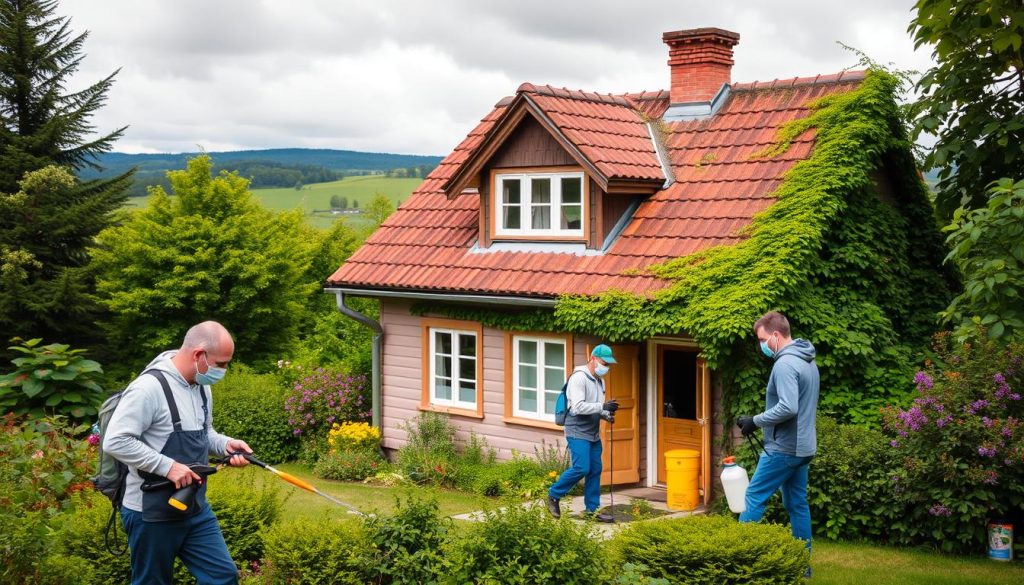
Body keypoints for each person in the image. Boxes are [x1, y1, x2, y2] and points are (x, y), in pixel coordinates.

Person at [104, 321, 253, 585]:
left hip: (195, 508)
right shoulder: (147, 388)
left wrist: (226, 444)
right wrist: (168, 467)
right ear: (199, 355)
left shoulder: (201, 386)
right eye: (221, 364)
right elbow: (116, 441)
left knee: (223, 576)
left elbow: (205, 433)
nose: (224, 371)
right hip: (149, 513)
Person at [737, 311, 819, 574]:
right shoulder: (807, 360)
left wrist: (754, 421)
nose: (761, 345)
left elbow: (788, 407)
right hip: (804, 447)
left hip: (784, 448)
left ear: (775, 335)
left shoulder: (784, 364)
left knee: (753, 498)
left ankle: (736, 563)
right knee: (797, 504)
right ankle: (802, 569)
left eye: (761, 339)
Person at [546, 344, 619, 522]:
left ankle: (591, 511)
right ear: (593, 359)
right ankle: (553, 494)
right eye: (604, 363)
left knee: (595, 469)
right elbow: (578, 407)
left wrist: (606, 414)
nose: (606, 367)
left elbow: (595, 407)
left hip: (593, 432)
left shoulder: (600, 381)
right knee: (582, 467)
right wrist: (602, 406)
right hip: (576, 429)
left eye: (608, 364)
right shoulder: (578, 378)